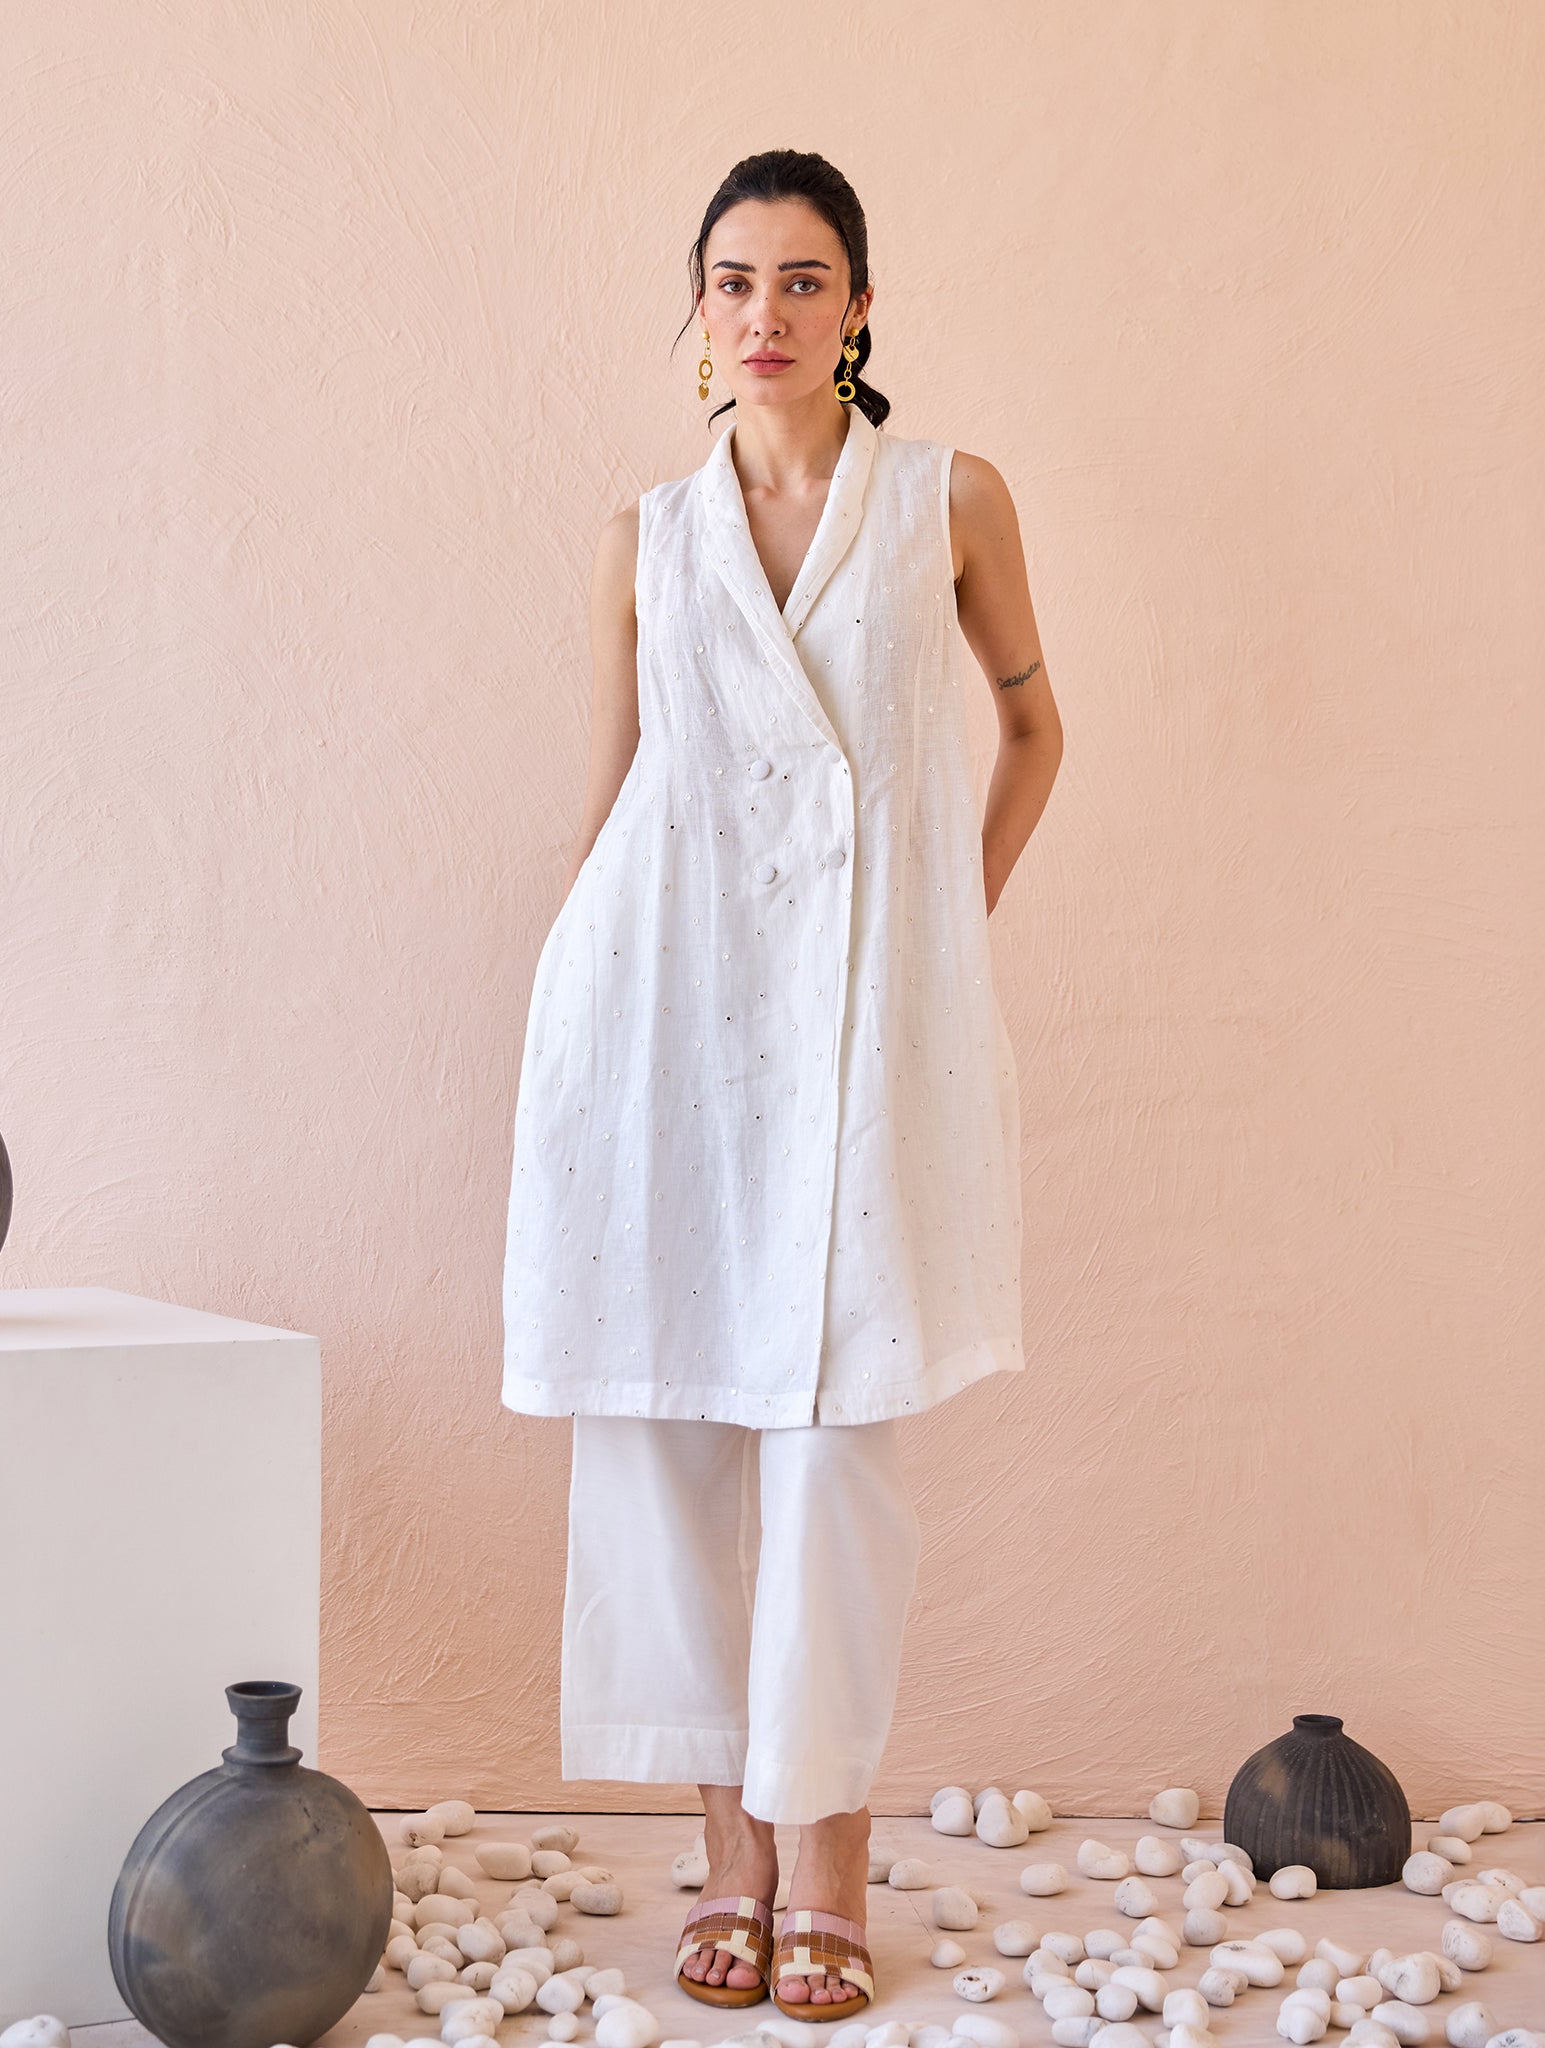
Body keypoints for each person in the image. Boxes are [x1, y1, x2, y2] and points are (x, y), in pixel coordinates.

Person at [499, 148, 1063, 2024]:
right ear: (698, 312)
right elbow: (617, 791)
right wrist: (571, 1006)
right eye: (734, 282)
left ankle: (827, 1853)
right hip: (663, 1011)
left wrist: (945, 931)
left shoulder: (948, 502)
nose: (766, 314)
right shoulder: (644, 538)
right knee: (660, 1418)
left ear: (861, 309)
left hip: (860, 1031)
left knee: (833, 1446)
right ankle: (725, 1854)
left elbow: (1034, 726)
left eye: (804, 281)